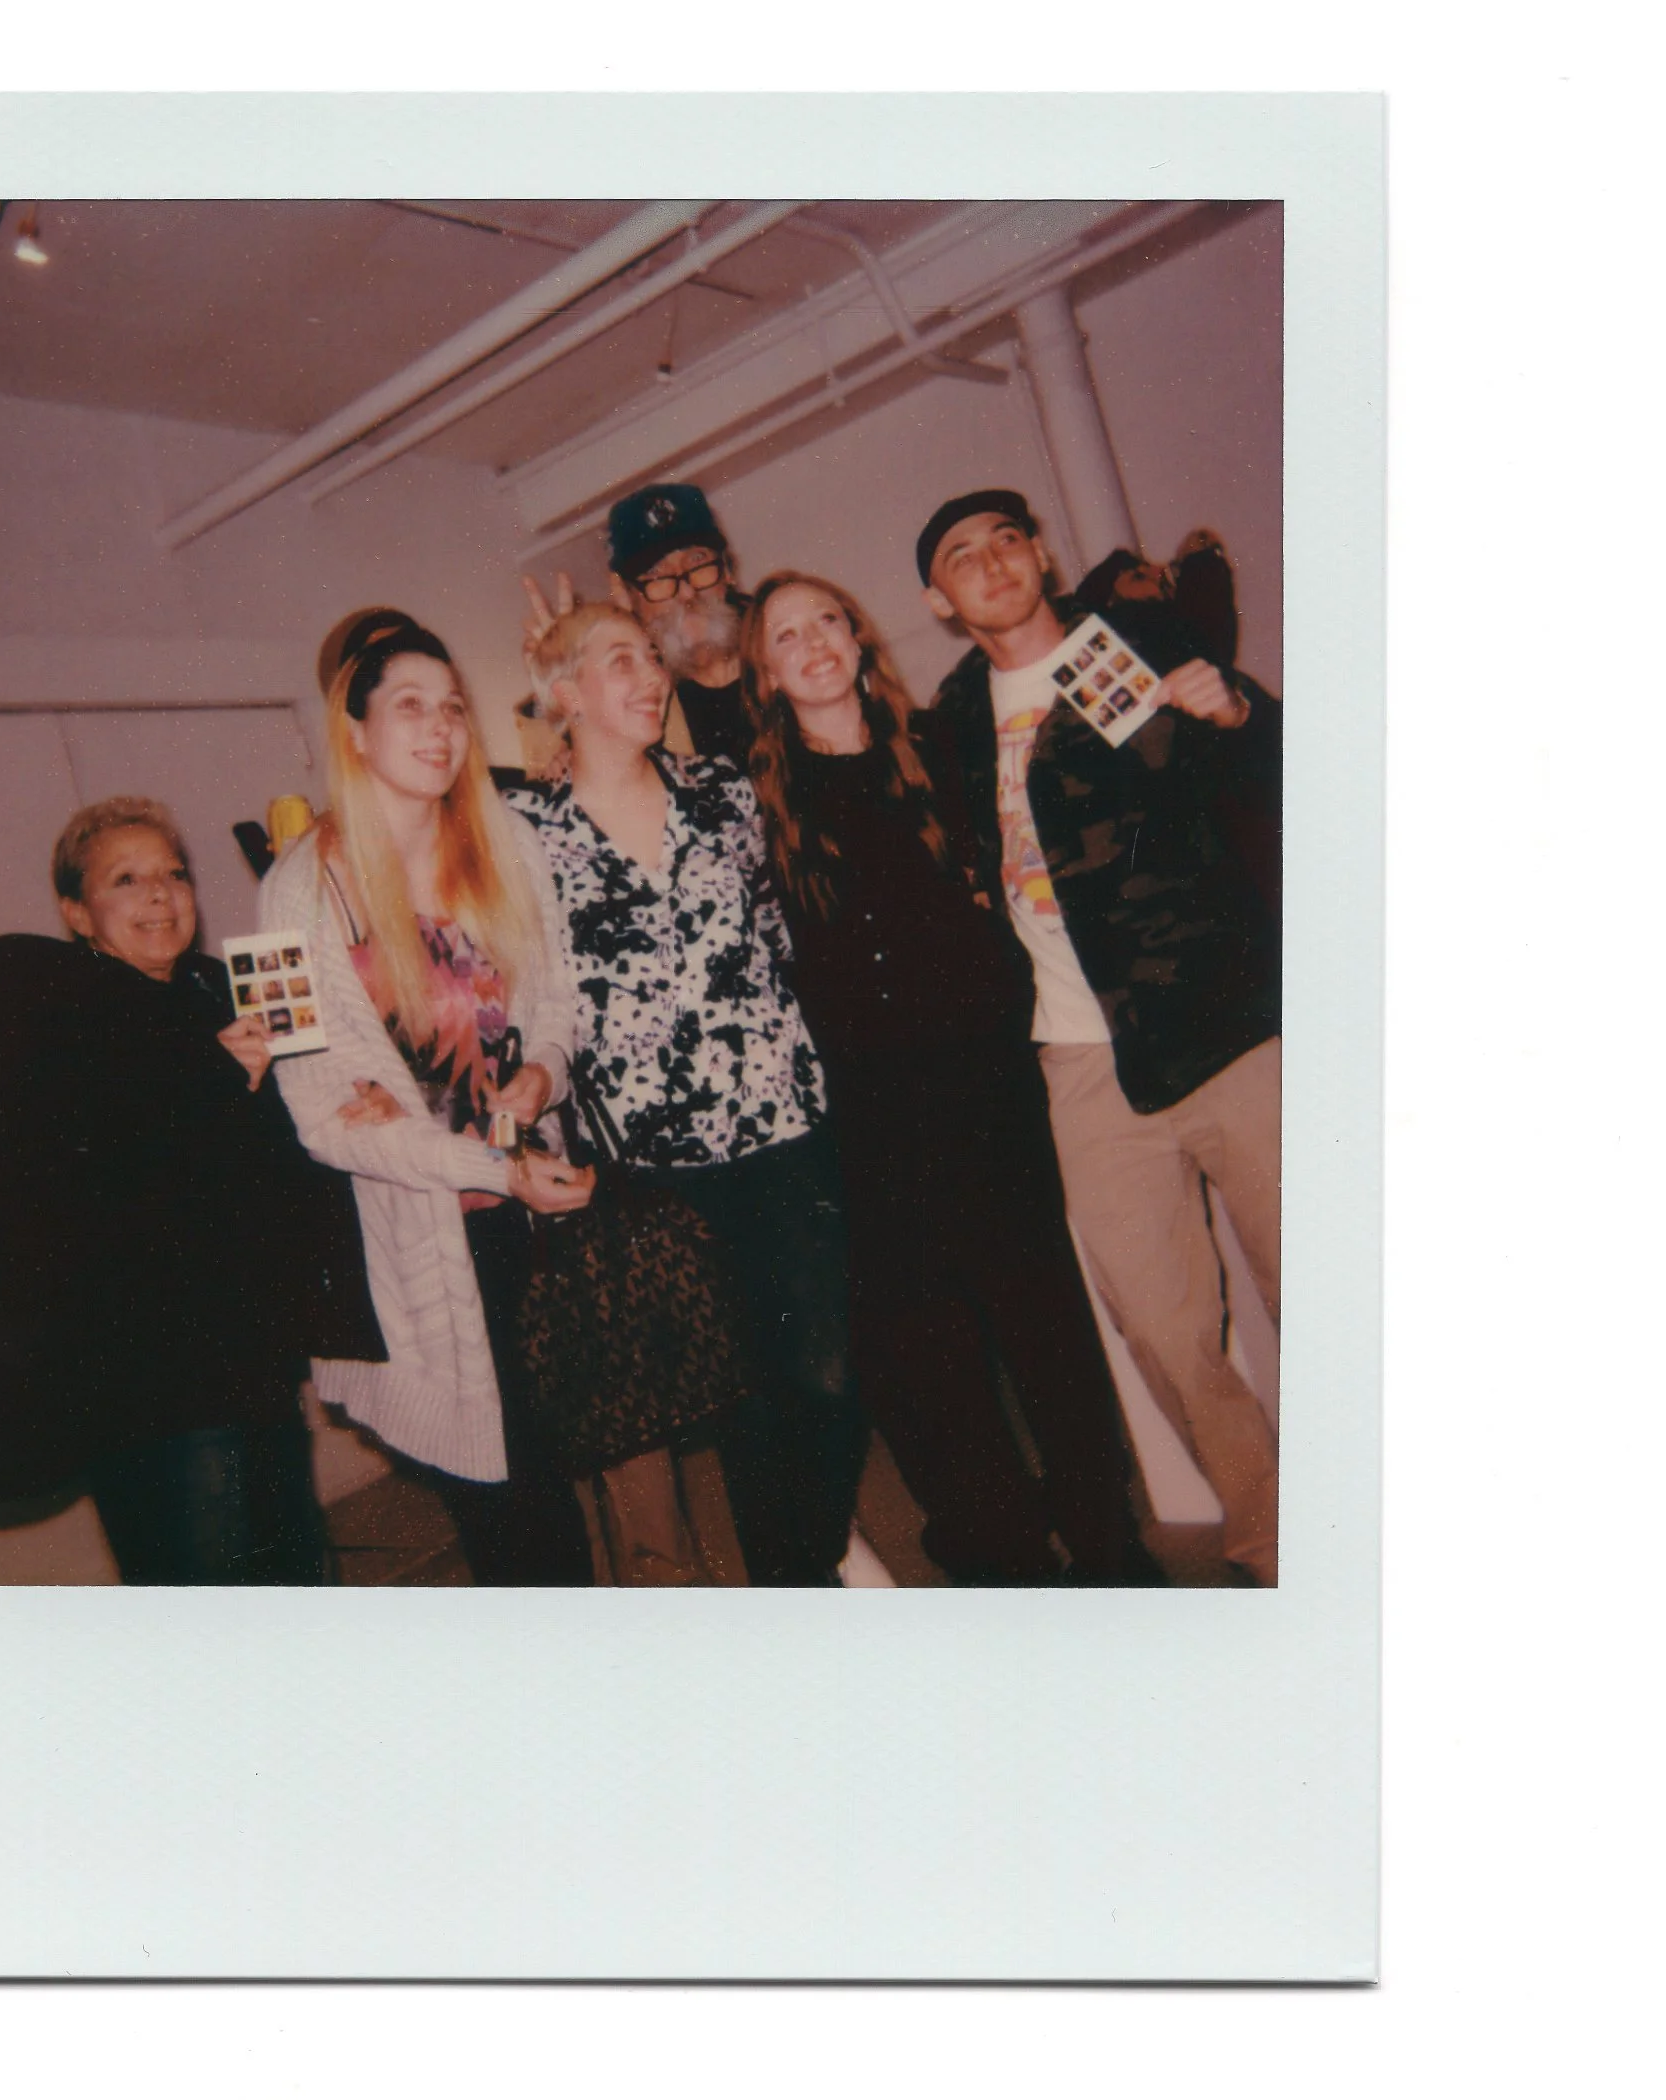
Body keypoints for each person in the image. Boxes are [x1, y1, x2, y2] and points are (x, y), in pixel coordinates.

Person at [739, 570, 1167, 1585]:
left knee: (1047, 1333)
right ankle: (1005, 1560)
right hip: (871, 1125)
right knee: (932, 1365)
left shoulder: (942, 744)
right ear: (764, 671)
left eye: (826, 621)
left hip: (990, 1096)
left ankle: (1108, 1550)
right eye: (785, 635)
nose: (811, 644)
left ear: (859, 634)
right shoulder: (752, 796)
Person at [916, 490, 1283, 1586]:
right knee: (1164, 1328)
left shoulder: (1129, 643)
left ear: (1039, 554)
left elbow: (1257, 769)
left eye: (1005, 539)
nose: (988, 562)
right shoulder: (948, 719)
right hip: (1079, 1060)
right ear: (939, 600)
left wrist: (1235, 714)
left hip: (1220, 1021)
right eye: (959, 556)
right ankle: (1273, 1537)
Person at [516, 599, 866, 1586]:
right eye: (615, 660)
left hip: (783, 1122)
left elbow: (780, 930)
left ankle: (807, 1558)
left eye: (648, 658)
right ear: (564, 695)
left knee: (833, 1379)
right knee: (745, 1395)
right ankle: (796, 1591)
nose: (647, 674)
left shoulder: (723, 791)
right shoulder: (524, 826)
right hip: (652, 1163)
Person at [0, 796, 384, 1584]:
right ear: (77, 913)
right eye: (127, 878)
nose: (159, 894)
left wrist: (354, 1101)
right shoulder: (42, 1003)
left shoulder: (222, 993)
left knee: (295, 1588)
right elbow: (95, 1144)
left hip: (252, 1372)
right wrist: (211, 1069)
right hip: (150, 1401)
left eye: (174, 874)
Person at [260, 611, 600, 1586]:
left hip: (538, 1207)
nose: (439, 727)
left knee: (561, 1468)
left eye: (452, 706)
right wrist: (490, 1163)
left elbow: (558, 998)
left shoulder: (502, 841)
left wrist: (543, 1071)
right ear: (354, 731)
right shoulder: (292, 894)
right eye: (408, 706)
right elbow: (322, 1112)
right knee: (511, 1509)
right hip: (426, 1234)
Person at [521, 481, 752, 764]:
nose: (687, 592)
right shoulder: (633, 696)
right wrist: (563, 673)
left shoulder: (781, 643)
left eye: (698, 561)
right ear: (626, 595)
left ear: (727, 569)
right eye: (657, 575)